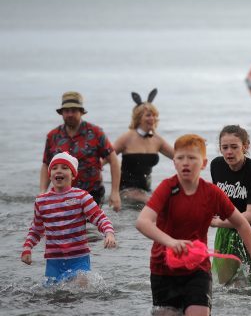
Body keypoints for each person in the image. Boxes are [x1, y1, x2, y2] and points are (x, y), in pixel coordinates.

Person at [135, 134, 251, 316]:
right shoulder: (167, 188)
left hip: (198, 269)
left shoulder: (212, 193)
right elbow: (143, 222)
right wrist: (170, 242)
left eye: (192, 158)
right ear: (174, 163)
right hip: (163, 269)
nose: (185, 163)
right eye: (180, 158)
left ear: (203, 163)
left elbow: (242, 223)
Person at [21, 152, 116, 284]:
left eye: (64, 168)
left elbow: (100, 218)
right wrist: (27, 247)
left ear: (73, 175)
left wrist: (109, 233)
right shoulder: (41, 201)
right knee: (55, 296)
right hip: (54, 261)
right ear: (50, 174)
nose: (58, 171)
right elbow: (36, 229)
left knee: (81, 286)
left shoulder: (82, 197)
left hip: (79, 259)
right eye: (54, 168)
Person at [210, 125, 251, 285]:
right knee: (227, 286)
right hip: (226, 233)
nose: (229, 152)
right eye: (224, 147)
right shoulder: (216, 165)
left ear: (245, 146)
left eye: (234, 147)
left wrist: (219, 222)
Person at [40, 91, 121, 211]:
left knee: (89, 228)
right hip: (61, 193)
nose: (70, 114)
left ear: (81, 112)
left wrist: (115, 192)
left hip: (92, 193)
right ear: (61, 113)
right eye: (67, 111)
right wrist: (42, 192)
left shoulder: (95, 132)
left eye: (74, 110)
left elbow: (114, 161)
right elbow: (46, 164)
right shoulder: (53, 136)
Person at [112, 89, 174, 204]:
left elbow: (177, 156)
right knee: (157, 203)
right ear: (138, 118)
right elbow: (106, 157)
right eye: (149, 115)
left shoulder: (157, 139)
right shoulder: (126, 138)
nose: (153, 118)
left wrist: (194, 148)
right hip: (126, 191)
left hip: (146, 191)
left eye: (155, 115)